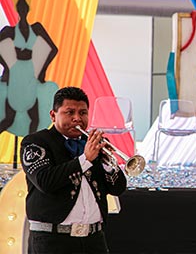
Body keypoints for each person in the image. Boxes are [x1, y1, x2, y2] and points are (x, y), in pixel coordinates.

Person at [20, 86, 127, 254]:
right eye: (69, 112)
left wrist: (107, 164)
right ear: (53, 115)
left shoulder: (93, 142)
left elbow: (118, 188)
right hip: (51, 240)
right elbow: (45, 181)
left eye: (83, 113)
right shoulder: (35, 142)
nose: (77, 118)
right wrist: (85, 160)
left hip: (94, 240)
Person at [0, 0, 58, 137]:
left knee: (35, 120)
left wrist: (41, 71)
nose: (23, 9)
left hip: (30, 76)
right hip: (15, 77)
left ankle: (32, 150)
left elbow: (53, 49)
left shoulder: (37, 28)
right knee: (8, 118)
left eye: (25, 6)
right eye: (20, 6)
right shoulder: (9, 31)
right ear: (17, 9)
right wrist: (8, 65)